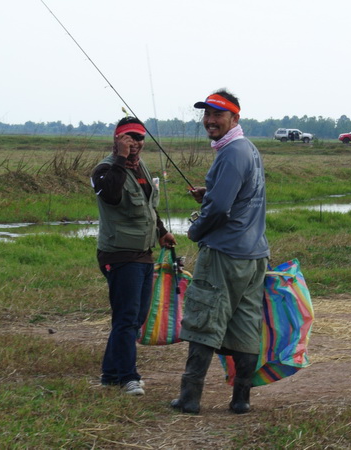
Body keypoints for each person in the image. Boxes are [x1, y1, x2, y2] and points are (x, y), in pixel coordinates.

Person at [171, 89, 270, 415]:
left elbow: (221, 210)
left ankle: (189, 399)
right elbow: (235, 197)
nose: (210, 121)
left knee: (203, 321)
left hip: (225, 255)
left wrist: (195, 230)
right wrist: (209, 192)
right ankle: (241, 399)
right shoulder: (248, 149)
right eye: (206, 114)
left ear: (235, 118)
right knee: (245, 326)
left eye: (218, 115)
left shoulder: (230, 154)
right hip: (254, 256)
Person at [90, 116, 176, 396]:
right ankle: (129, 377)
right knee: (126, 317)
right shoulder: (104, 169)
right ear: (117, 139)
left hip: (143, 253)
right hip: (118, 253)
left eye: (139, 137)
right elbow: (112, 195)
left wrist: (162, 231)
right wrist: (119, 157)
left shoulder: (142, 167)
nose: (135, 143)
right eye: (128, 137)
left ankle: (110, 373)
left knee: (135, 317)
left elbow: (148, 206)